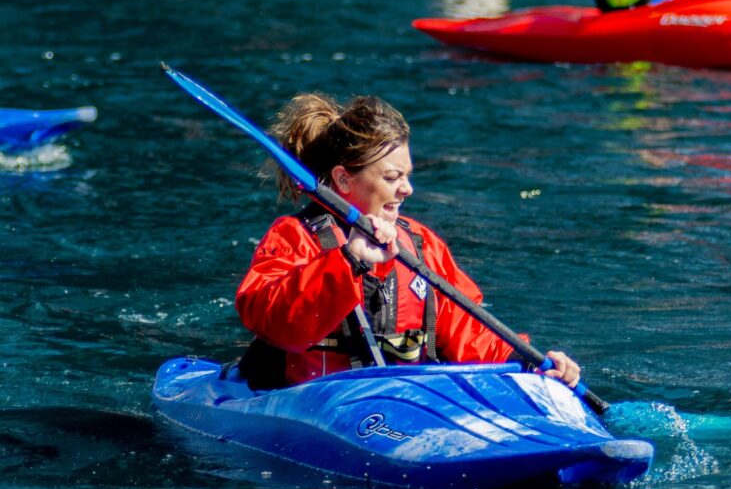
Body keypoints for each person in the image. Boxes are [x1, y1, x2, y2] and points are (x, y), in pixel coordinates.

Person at [235, 92, 582, 391]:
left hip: (405, 405)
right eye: (392, 177)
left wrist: (527, 363)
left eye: (407, 176)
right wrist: (349, 258)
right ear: (343, 179)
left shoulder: (421, 244)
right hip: (309, 401)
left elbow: (469, 331)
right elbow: (274, 323)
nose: (407, 189)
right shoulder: (295, 236)